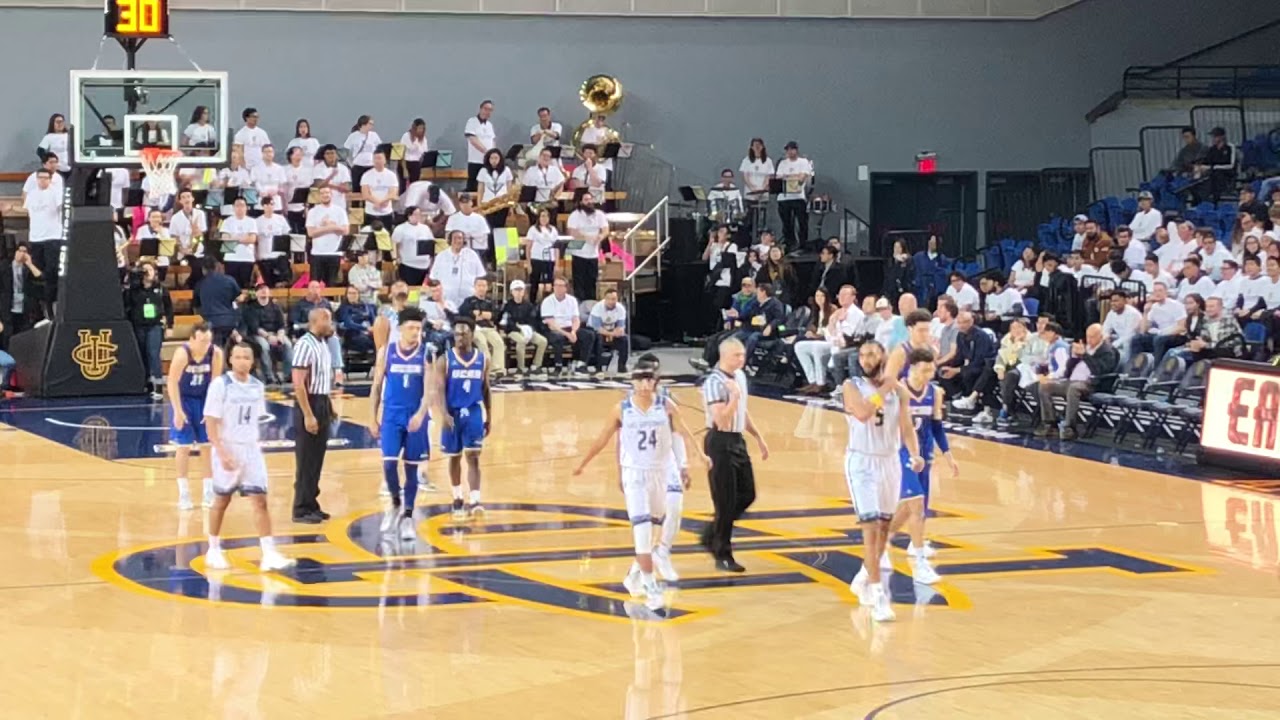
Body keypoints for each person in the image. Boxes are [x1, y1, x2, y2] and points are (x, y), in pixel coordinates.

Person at [572, 360, 701, 610]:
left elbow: (684, 432)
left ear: (655, 382)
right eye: (639, 380)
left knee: (656, 525)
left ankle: (634, 575)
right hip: (635, 475)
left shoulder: (667, 406)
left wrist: (699, 457)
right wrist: (584, 463)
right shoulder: (621, 409)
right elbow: (603, 439)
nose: (643, 385)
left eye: (648, 380)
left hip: (660, 472)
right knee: (641, 531)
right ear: (632, 382)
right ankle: (651, 586)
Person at [843, 341, 925, 623]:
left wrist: (915, 454)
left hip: (889, 461)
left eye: (872, 353)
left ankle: (865, 575)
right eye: (862, 354)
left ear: (884, 357)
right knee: (871, 527)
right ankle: (879, 595)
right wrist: (886, 388)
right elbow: (864, 413)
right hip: (861, 461)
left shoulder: (898, 393)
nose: (866, 358)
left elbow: (905, 427)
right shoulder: (851, 385)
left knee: (884, 529)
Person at [201, 343, 297, 573]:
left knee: (260, 500)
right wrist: (221, 452)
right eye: (238, 356)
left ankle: (269, 553)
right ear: (231, 360)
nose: (242, 360)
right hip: (227, 446)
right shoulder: (220, 385)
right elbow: (211, 423)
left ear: (253, 361)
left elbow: (256, 419)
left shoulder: (257, 386)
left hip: (251, 449)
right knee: (222, 500)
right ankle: (213, 549)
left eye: (247, 357)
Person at [879, 347, 958, 581]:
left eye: (931, 370)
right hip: (900, 452)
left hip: (924, 454)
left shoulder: (935, 392)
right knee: (915, 505)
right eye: (925, 370)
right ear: (912, 368)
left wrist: (948, 454)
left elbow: (936, 427)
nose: (929, 374)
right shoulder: (895, 390)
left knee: (913, 507)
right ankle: (920, 562)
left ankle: (882, 542)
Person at [700, 337, 770, 573]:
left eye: (742, 355)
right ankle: (723, 553)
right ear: (723, 356)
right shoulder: (714, 382)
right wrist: (734, 397)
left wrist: (758, 436)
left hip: (737, 440)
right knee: (725, 501)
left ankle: (711, 535)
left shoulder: (739, 377)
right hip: (719, 442)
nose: (741, 359)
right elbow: (721, 419)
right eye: (736, 356)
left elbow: (742, 412)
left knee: (747, 494)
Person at [370, 307, 434, 542]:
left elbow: (430, 390)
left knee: (411, 469)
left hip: (415, 415)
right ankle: (395, 503)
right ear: (400, 329)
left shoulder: (427, 353)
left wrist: (420, 413)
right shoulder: (386, 353)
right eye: (411, 328)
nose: (415, 332)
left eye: (418, 328)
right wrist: (371, 417)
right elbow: (376, 387)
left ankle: (408, 515)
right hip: (391, 414)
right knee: (388, 464)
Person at [436, 317, 492, 521]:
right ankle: (457, 497)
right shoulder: (445, 360)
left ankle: (475, 499)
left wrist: (489, 416)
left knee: (474, 456)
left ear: (472, 334)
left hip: (474, 411)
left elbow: (486, 389)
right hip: (452, 412)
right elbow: (439, 390)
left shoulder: (482, 358)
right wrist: (443, 414)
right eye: (456, 333)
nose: (459, 337)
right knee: (454, 457)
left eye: (464, 333)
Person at [166, 323, 223, 511]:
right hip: (184, 400)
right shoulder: (183, 354)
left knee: (207, 446)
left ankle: (208, 490)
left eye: (208, 340)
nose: (206, 344)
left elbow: (215, 384)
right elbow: (172, 382)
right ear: (192, 339)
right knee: (183, 447)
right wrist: (177, 410)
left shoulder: (216, 353)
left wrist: (212, 411)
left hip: (204, 399)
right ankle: (184, 493)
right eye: (202, 340)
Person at [292, 307, 337, 524]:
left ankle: (311, 503)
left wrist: (328, 407)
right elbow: (298, 384)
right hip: (308, 402)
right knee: (306, 457)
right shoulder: (304, 344)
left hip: (321, 400)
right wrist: (308, 415)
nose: (330, 323)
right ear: (316, 321)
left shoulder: (323, 344)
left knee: (317, 458)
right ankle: (300, 508)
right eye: (327, 319)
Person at [1036, 323, 1119, 440]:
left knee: (1074, 388)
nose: (1089, 340)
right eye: (1088, 336)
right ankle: (1050, 423)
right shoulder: (1085, 347)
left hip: (1092, 384)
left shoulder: (1108, 351)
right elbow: (1068, 370)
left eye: (1092, 337)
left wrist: (1084, 355)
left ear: (1101, 336)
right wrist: (1074, 356)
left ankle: (1070, 428)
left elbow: (1099, 370)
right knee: (1045, 386)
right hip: (1072, 381)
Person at [124, 262, 174, 398]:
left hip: (155, 325)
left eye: (150, 270)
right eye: (144, 270)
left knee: (153, 352)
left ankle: (158, 385)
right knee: (142, 353)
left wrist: (170, 325)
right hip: (139, 325)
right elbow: (127, 304)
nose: (147, 273)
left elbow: (169, 308)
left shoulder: (161, 289)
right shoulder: (134, 290)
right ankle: (145, 382)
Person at [540, 276, 595, 376]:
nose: (558, 288)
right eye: (556, 285)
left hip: (570, 327)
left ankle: (581, 365)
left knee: (589, 335)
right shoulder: (547, 301)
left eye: (561, 286)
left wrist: (573, 332)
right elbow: (551, 324)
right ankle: (558, 366)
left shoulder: (572, 300)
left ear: (566, 288)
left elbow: (576, 319)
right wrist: (567, 334)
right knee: (558, 337)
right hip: (554, 328)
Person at [241, 284, 291, 385]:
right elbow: (255, 327)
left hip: (276, 333)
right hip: (259, 335)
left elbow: (281, 325)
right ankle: (269, 376)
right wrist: (268, 337)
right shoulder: (251, 308)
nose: (264, 291)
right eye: (261, 290)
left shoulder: (275, 307)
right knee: (264, 346)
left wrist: (280, 336)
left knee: (288, 344)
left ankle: (288, 375)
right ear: (256, 293)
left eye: (266, 289)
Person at [457, 276, 505, 378]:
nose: (481, 288)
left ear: (487, 287)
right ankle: (487, 369)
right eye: (479, 285)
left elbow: (495, 315)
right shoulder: (469, 301)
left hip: (488, 327)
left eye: (484, 286)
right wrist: (481, 315)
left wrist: (480, 313)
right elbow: (463, 313)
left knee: (499, 342)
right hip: (474, 328)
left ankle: (497, 369)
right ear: (475, 287)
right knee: (482, 343)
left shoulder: (489, 302)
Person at [566, 191, 610, 303]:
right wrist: (587, 237)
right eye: (586, 200)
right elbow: (572, 231)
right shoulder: (575, 215)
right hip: (579, 252)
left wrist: (600, 237)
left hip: (593, 253)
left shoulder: (599, 214)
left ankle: (591, 304)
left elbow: (605, 230)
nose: (589, 202)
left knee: (591, 281)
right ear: (581, 202)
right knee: (579, 282)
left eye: (590, 199)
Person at [499, 280, 547, 379]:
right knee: (521, 341)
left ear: (524, 291)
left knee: (543, 341)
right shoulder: (507, 305)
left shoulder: (529, 305)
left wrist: (529, 329)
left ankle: (536, 366)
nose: (518, 292)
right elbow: (505, 321)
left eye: (520, 290)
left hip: (528, 330)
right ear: (512, 292)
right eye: (516, 290)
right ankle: (521, 367)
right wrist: (518, 328)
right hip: (513, 331)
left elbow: (533, 320)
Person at [194, 258, 241, 349]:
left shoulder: (200, 284)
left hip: (210, 322)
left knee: (216, 351)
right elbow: (238, 298)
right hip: (230, 321)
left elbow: (196, 305)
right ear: (216, 267)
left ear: (203, 269)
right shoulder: (230, 280)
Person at [774, 141, 813, 248]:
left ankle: (802, 244)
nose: (790, 152)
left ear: (796, 150)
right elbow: (778, 178)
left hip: (798, 197)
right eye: (788, 150)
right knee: (786, 223)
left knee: (802, 222)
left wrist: (788, 176)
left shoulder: (803, 162)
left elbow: (802, 177)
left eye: (792, 149)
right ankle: (790, 243)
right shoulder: (782, 163)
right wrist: (794, 175)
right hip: (784, 197)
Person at [588, 288, 629, 376]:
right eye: (609, 299)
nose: (611, 301)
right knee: (598, 339)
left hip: (612, 331)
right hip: (597, 332)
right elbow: (597, 327)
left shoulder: (620, 308)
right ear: (605, 299)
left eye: (614, 299)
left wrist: (615, 333)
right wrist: (610, 334)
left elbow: (620, 326)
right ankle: (598, 368)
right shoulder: (597, 308)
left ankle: (622, 366)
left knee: (624, 339)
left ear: (617, 299)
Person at [335, 285, 376, 355]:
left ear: (358, 295)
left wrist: (374, 328)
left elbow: (373, 319)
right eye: (350, 293)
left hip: (370, 333)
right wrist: (366, 328)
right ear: (346, 295)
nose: (352, 295)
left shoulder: (365, 306)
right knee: (370, 342)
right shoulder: (344, 308)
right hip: (353, 335)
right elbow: (348, 323)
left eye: (354, 293)